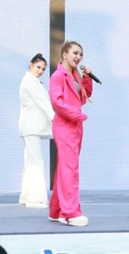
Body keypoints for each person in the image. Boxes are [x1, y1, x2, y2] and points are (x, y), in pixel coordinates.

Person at [48, 41, 93, 227]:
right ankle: (70, 213)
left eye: (80, 54)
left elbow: (83, 98)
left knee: (65, 167)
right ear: (64, 54)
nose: (78, 57)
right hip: (65, 125)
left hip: (75, 125)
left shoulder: (75, 75)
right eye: (75, 53)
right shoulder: (58, 76)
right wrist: (76, 114)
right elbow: (56, 102)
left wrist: (86, 79)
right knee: (70, 168)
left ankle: (56, 210)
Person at [18, 53, 55, 209]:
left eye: (43, 69)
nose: (40, 71)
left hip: (31, 127)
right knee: (36, 162)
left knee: (30, 162)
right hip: (31, 126)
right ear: (31, 65)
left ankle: (26, 195)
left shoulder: (33, 81)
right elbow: (42, 102)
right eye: (38, 67)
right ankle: (34, 199)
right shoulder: (29, 81)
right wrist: (55, 118)